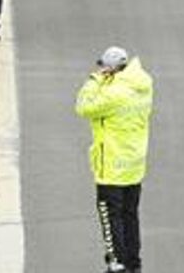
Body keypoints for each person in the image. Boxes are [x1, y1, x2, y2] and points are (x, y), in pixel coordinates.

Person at [76, 46, 154, 273]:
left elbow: (83, 107)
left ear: (110, 70)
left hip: (111, 165)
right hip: (134, 164)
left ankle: (116, 264)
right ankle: (133, 263)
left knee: (110, 218)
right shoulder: (142, 86)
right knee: (130, 216)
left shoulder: (114, 93)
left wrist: (94, 81)